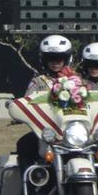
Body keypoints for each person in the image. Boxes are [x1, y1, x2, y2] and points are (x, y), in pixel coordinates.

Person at [17, 35, 76, 169]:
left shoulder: (78, 81)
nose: (55, 62)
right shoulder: (37, 82)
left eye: (59, 58)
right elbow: (26, 102)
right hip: (46, 132)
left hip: (73, 130)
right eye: (50, 58)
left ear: (67, 59)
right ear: (44, 60)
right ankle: (30, 187)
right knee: (24, 144)